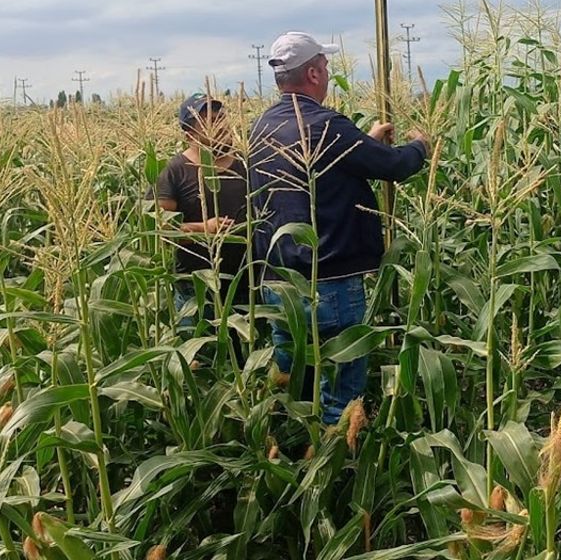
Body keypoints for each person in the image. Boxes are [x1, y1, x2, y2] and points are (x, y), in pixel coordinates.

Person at [248, 31, 430, 424]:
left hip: (279, 285)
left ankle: (289, 452)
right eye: (325, 67)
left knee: (292, 388)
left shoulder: (260, 128)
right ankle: (336, 460)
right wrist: (420, 145)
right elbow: (395, 166)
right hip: (327, 282)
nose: (328, 74)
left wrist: (365, 142)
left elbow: (320, 170)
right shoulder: (326, 125)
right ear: (313, 74)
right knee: (339, 402)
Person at [154, 94, 250, 329]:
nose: (221, 127)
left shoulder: (245, 164)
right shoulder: (175, 171)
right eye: (210, 123)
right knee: (198, 348)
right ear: (189, 136)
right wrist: (203, 228)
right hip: (195, 292)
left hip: (245, 287)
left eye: (221, 119)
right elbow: (160, 229)